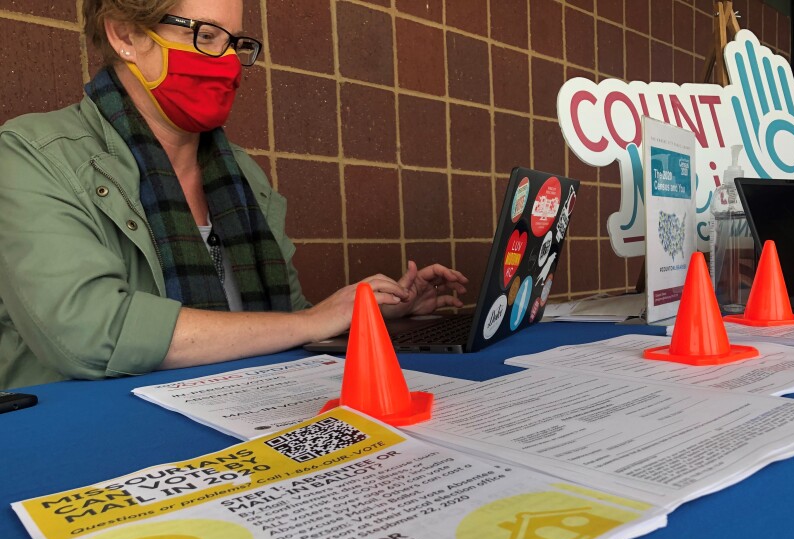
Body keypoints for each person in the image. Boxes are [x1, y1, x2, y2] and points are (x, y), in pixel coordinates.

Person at [0, 0, 467, 390]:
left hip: (242, 427)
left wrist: (366, 314)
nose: (225, 60)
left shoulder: (241, 175)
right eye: (204, 36)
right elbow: (89, 335)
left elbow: (275, 326)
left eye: (235, 42)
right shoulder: (32, 155)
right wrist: (314, 322)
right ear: (125, 35)